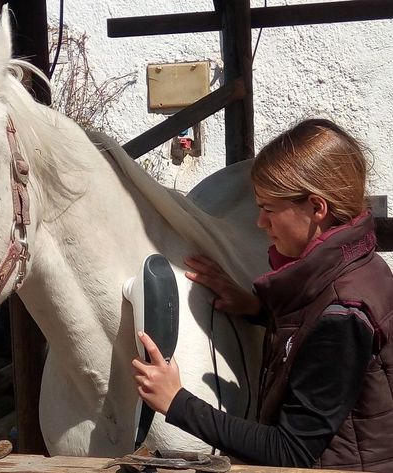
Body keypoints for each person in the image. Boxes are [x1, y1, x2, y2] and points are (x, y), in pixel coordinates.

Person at [132, 119, 393, 472]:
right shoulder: (364, 264)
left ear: (317, 208)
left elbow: (291, 451)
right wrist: (256, 309)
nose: (260, 223)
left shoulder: (342, 316)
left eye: (269, 209)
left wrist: (176, 402)